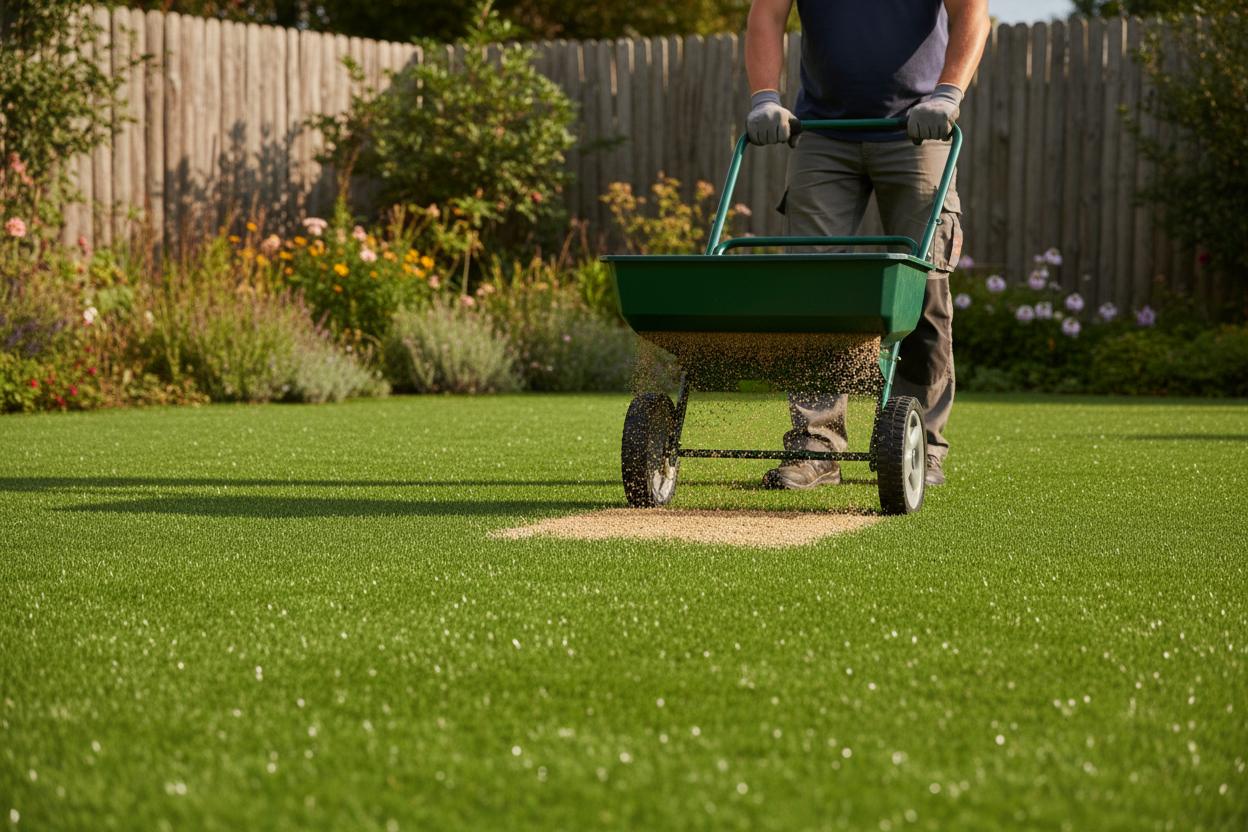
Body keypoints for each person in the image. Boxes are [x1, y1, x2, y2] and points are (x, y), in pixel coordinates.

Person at [744, 0, 990, 490]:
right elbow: (766, 15)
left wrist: (947, 92)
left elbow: (972, 12)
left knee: (922, 287)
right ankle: (817, 444)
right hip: (822, 132)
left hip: (920, 125)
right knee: (814, 291)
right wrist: (764, 97)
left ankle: (920, 443)